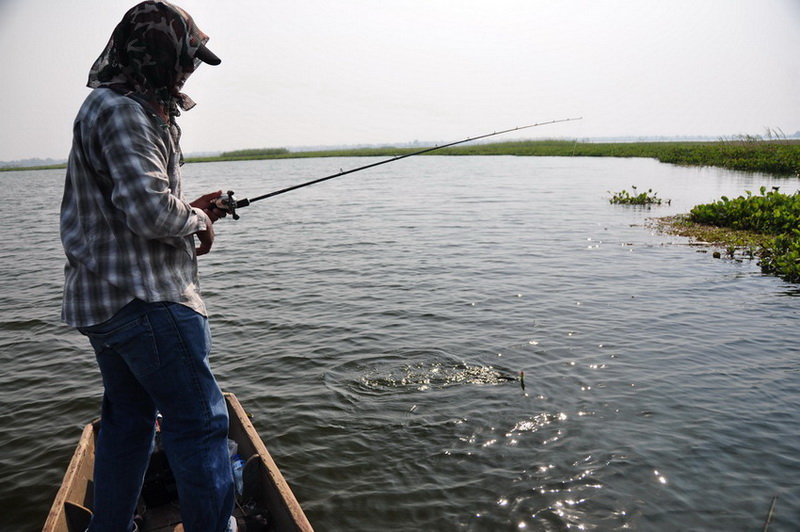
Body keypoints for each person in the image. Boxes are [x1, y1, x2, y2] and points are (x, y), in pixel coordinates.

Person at [59, 2, 235, 531]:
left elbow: (142, 203)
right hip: (148, 304)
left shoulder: (119, 105)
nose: (189, 69)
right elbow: (152, 211)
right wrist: (199, 218)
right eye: (186, 57)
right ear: (154, 50)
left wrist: (194, 208)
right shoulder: (124, 111)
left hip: (108, 308)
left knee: (130, 425)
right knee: (200, 427)